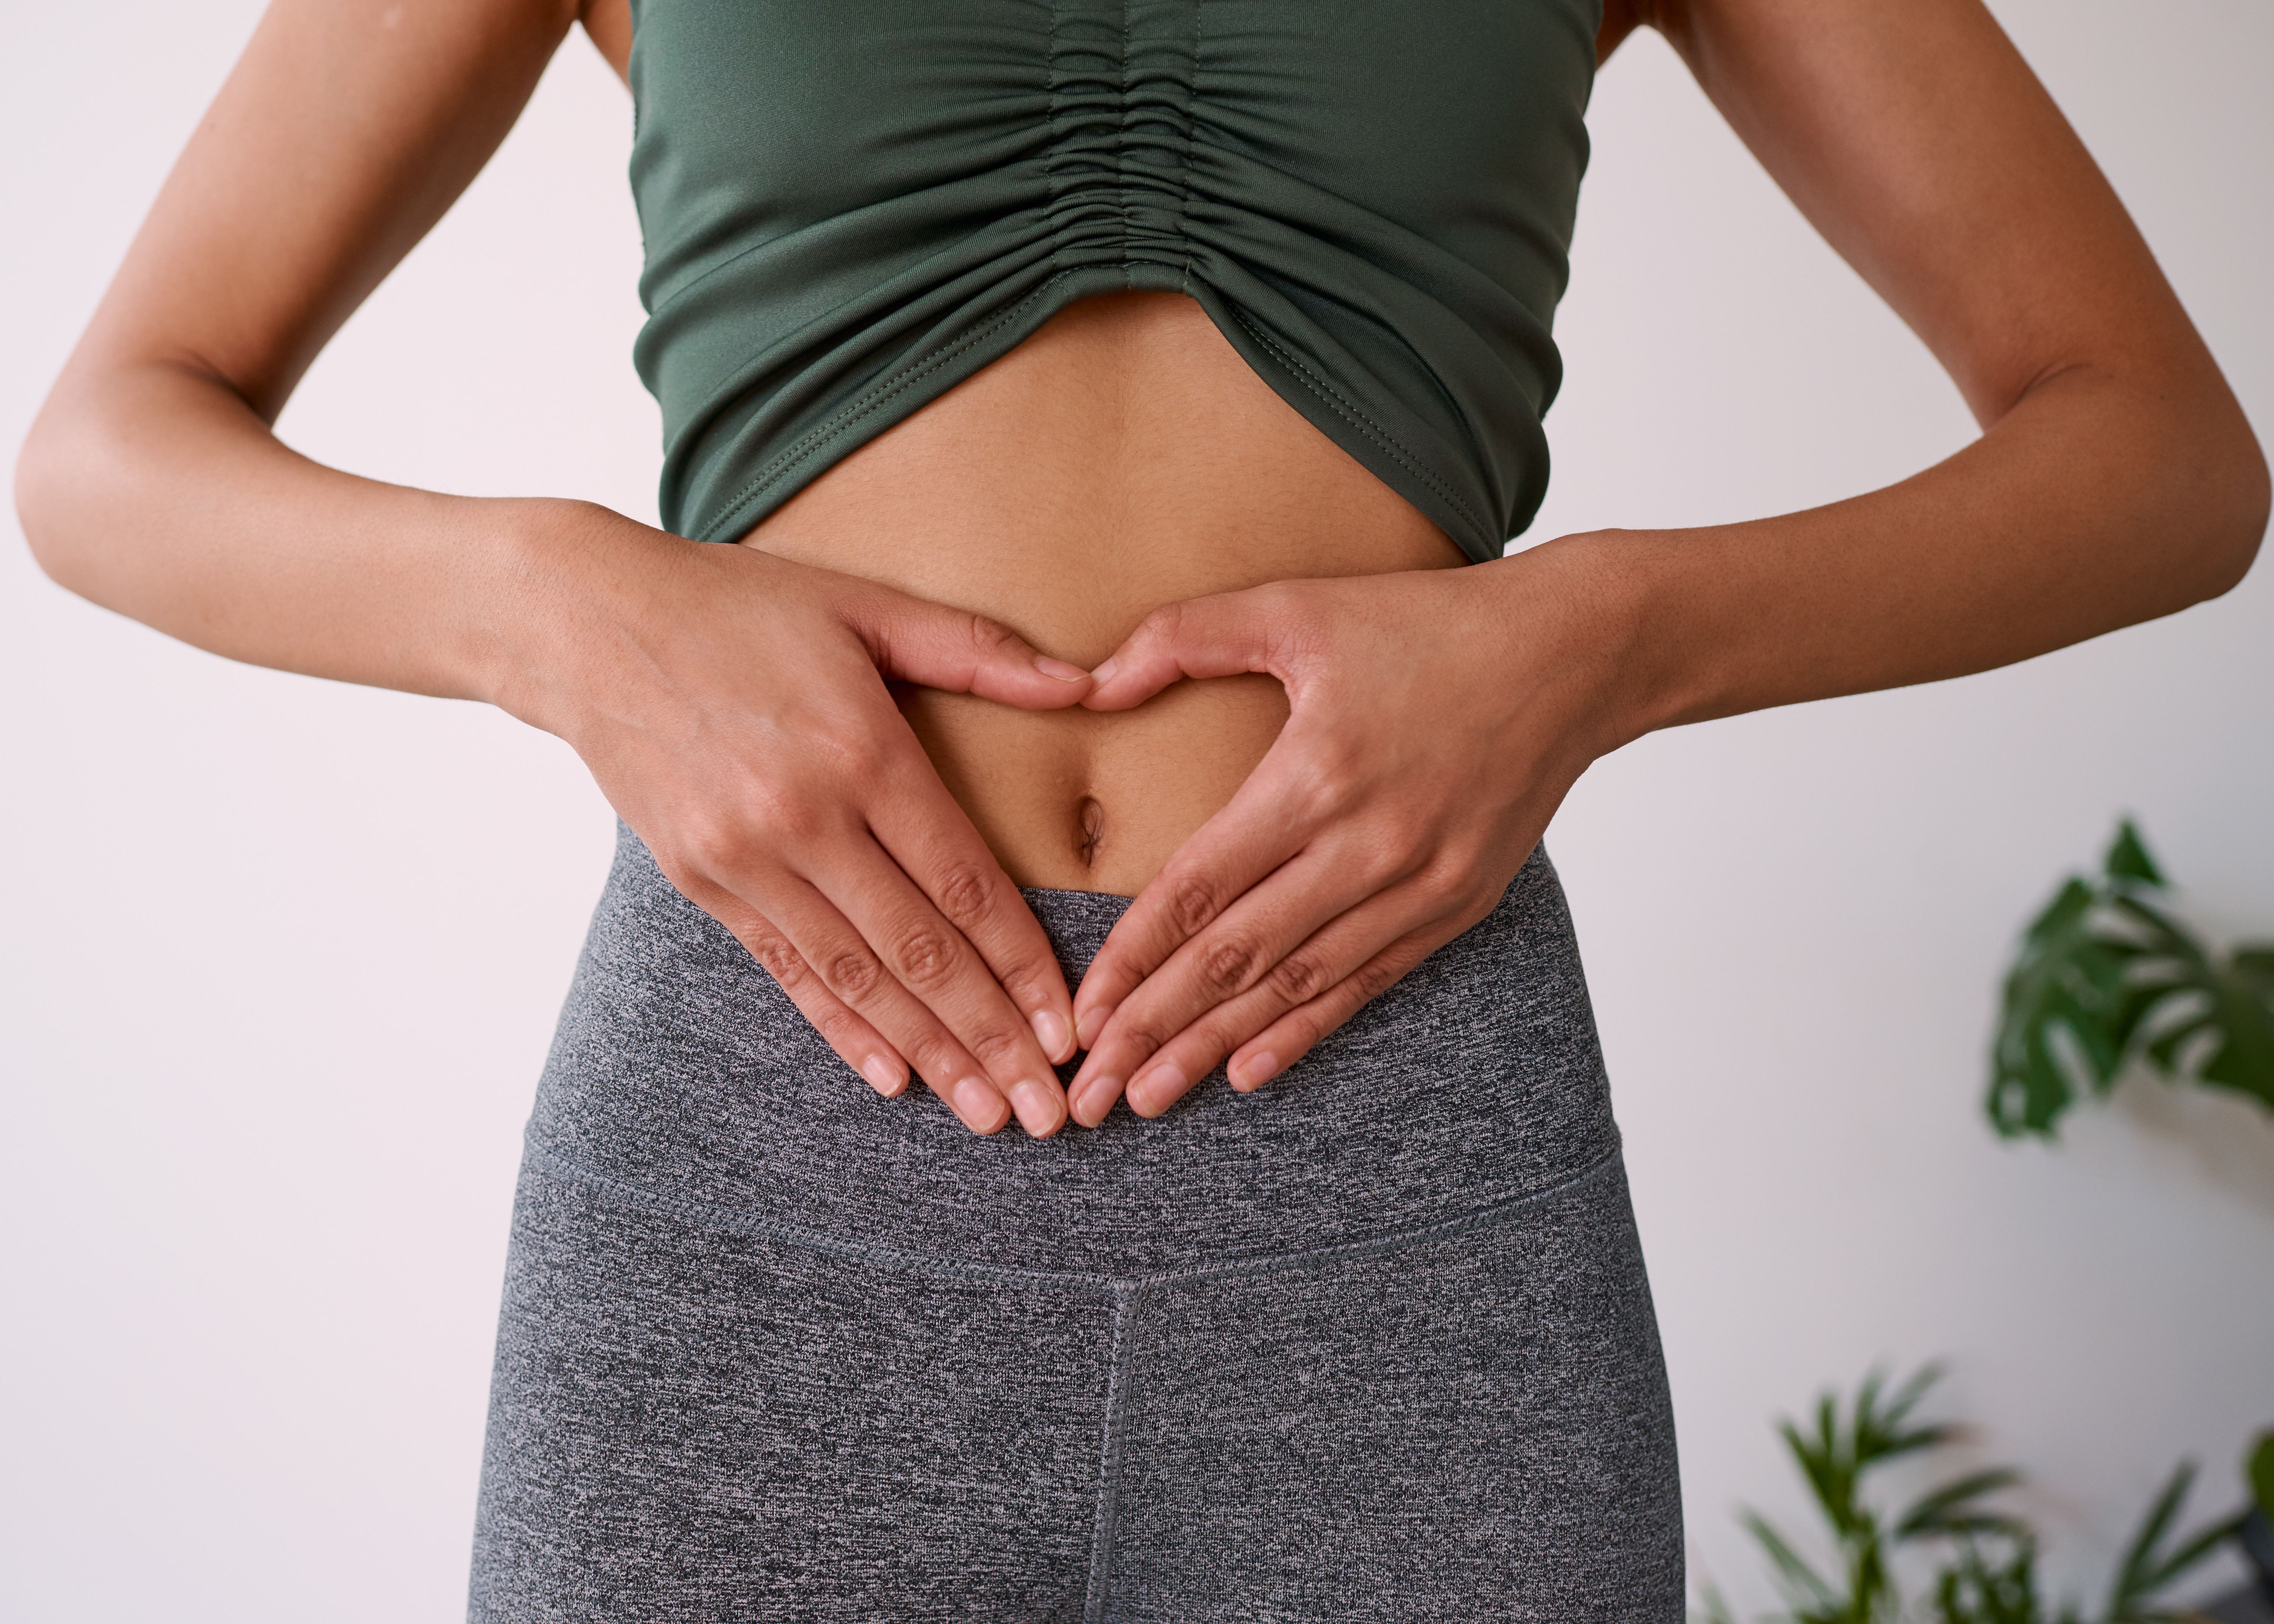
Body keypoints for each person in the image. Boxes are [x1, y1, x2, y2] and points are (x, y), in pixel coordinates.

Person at [15, 0, 2265, 1616]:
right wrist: (559, 607)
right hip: (766, 1173)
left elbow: (2156, 453)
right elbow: (113, 441)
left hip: (1399, 1170)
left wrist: (1606, 640)